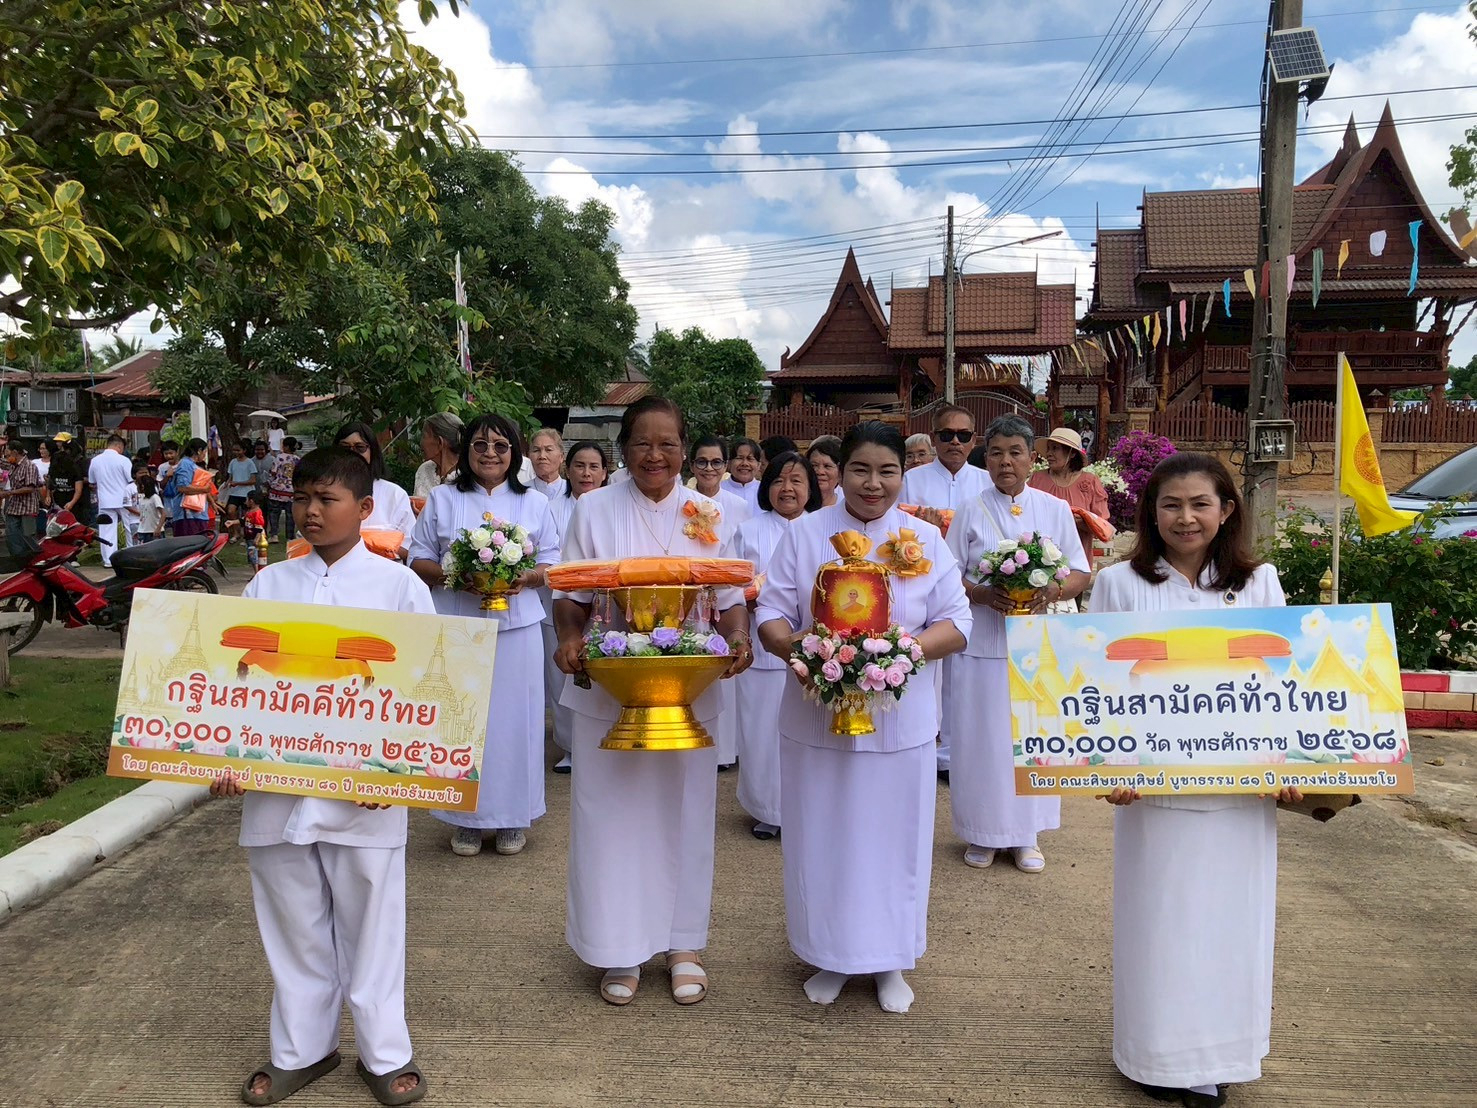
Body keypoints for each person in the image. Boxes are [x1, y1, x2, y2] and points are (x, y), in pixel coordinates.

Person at [209, 446, 435, 1107]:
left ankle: (384, 1052)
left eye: (325, 498)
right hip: (277, 789)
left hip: (365, 790)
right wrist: (223, 755)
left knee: (371, 924)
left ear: (364, 510)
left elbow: (423, 688)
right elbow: (234, 684)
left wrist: (391, 769)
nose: (309, 509)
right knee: (292, 923)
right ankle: (300, 1051)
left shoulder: (399, 588)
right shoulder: (268, 584)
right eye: (302, 496)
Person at [1091, 452, 1299, 1108]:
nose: (1185, 517)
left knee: (1228, 925)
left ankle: (1221, 1054)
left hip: (1239, 794)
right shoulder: (1119, 584)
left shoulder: (1258, 581)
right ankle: (1152, 1054)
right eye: (1171, 505)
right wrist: (1106, 764)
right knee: (1161, 922)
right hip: (1153, 796)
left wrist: (1292, 765)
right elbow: (1091, 685)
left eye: (1200, 504)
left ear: (1226, 510)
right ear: (1149, 513)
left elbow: (1289, 685)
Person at [756, 421, 969, 1015]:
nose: (873, 484)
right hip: (815, 717)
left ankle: (891, 960)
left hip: (900, 719)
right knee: (821, 836)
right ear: (837, 470)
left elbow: (957, 621)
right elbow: (771, 611)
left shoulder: (924, 537)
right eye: (860, 470)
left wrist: (900, 656)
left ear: (904, 472)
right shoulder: (804, 535)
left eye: (887, 471)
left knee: (894, 839)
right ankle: (827, 952)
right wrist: (800, 647)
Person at [552, 396, 752, 1006]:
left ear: (685, 450)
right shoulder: (593, 509)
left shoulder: (710, 512)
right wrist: (567, 639)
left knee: (687, 813)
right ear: (623, 449)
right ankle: (620, 946)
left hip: (688, 688)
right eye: (643, 443)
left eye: (668, 444)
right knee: (610, 816)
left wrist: (738, 638)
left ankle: (683, 943)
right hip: (609, 688)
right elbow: (570, 591)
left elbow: (732, 591)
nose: (655, 455)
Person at [944, 414, 1091, 874]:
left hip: (1036, 644)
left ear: (1033, 459)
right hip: (982, 642)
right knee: (982, 741)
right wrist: (984, 593)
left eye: (1015, 453)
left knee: (1031, 739)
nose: (1006, 461)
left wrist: (1051, 590)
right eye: (996, 452)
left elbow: (1081, 571)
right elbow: (949, 575)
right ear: (984, 458)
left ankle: (1027, 837)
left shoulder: (1054, 509)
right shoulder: (969, 508)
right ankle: (982, 834)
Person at [409, 413, 559, 858]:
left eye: (500, 446)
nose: (490, 454)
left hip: (517, 627)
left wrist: (524, 577)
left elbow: (553, 563)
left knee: (516, 723)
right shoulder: (441, 499)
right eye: (480, 445)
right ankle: (464, 819)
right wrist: (458, 576)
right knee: (462, 720)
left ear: (515, 453)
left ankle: (514, 816)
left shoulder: (535, 503)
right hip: (460, 625)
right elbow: (417, 559)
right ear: (466, 450)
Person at [733, 451, 822, 840]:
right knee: (761, 732)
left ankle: (807, 809)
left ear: (811, 489)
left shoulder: (823, 530)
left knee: (805, 732)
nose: (786, 488)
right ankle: (767, 808)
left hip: (814, 651)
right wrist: (750, 598)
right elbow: (732, 584)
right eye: (778, 481)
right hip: (760, 645)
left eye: (796, 481)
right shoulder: (748, 531)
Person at [901, 406, 990, 777]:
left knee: (964, 675)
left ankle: (958, 752)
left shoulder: (986, 481)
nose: (955, 441)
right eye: (946, 435)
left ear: (974, 441)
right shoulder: (911, 479)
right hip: (919, 580)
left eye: (963, 435)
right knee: (923, 667)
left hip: (974, 590)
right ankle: (922, 745)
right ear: (933, 437)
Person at [541, 440, 609, 774]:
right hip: (561, 604)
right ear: (568, 470)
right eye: (580, 466)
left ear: (605, 472)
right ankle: (568, 746)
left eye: (594, 466)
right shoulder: (551, 507)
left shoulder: (612, 508)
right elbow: (551, 556)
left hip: (603, 607)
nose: (586, 473)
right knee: (562, 679)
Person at [686, 435, 753, 771]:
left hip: (728, 596)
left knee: (726, 674)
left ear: (725, 467)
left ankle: (727, 750)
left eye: (716, 462)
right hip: (692, 601)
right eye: (702, 461)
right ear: (692, 464)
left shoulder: (740, 507)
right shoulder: (684, 505)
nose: (709, 468)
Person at [1028, 427, 1110, 572]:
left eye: (1055, 449)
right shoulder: (1037, 479)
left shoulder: (1090, 482)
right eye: (1048, 449)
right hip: (1040, 558)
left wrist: (1082, 521)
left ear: (1071, 454)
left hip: (1076, 557)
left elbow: (1102, 524)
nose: (1049, 454)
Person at [334, 422, 415, 560]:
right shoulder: (323, 492)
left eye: (360, 448)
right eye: (345, 447)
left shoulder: (394, 494)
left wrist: (376, 545)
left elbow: (412, 548)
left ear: (372, 452)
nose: (353, 453)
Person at [87, 434, 137, 566]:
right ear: (119, 446)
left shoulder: (95, 461)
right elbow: (131, 480)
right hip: (124, 500)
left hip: (105, 500)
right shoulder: (124, 460)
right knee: (129, 527)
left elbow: (92, 482)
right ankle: (132, 555)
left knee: (106, 530)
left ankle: (108, 560)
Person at [0, 441, 41, 559]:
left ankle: (33, 560)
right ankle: (19, 561)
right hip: (14, 507)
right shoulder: (12, 465)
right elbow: (2, 462)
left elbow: (30, 488)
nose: (7, 457)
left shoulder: (30, 466)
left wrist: (8, 493)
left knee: (28, 536)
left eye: (8, 454)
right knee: (12, 536)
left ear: (15, 452)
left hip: (27, 508)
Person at [167, 438, 214, 537]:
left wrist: (212, 502)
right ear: (199, 451)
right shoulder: (185, 464)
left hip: (197, 513)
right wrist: (204, 489)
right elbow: (182, 487)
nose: (205, 455)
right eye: (204, 452)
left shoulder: (191, 465)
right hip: (187, 515)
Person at [413, 413, 462, 499]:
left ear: (440, 442)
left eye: (424, 436)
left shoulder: (465, 476)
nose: (421, 443)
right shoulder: (424, 470)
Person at [265, 437, 301, 542]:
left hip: (277, 489)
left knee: (274, 513)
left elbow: (273, 472)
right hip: (291, 490)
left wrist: (268, 483)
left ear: (285, 446)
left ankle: (274, 535)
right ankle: (290, 536)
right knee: (290, 515)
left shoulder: (279, 457)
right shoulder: (297, 459)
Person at [225, 441, 258, 540]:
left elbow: (253, 480)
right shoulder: (233, 462)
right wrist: (226, 484)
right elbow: (230, 477)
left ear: (244, 450)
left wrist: (238, 483)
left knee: (247, 515)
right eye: (234, 450)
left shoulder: (249, 462)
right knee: (231, 511)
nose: (236, 452)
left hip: (246, 493)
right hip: (234, 492)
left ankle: (246, 534)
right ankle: (236, 533)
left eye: (238, 450)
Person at [721, 437, 764, 511]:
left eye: (750, 459)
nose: (745, 463)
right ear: (729, 463)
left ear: (759, 465)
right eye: (739, 458)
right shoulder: (718, 489)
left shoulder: (766, 491)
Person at [528, 428, 567, 499]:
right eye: (536, 450)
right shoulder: (521, 491)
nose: (542, 456)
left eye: (548, 450)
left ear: (561, 456)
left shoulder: (572, 490)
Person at [805, 435, 842, 508]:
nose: (820, 472)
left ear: (840, 471)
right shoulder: (796, 507)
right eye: (814, 465)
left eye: (827, 466)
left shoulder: (848, 507)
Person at [133, 473, 164, 543]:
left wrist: (158, 528)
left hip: (153, 531)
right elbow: (143, 516)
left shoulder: (155, 498)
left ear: (143, 486)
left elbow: (163, 514)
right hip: (143, 531)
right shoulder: (142, 499)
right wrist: (139, 530)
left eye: (138, 485)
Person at [243, 489, 267, 572]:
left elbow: (259, 527)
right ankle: (256, 573)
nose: (245, 502)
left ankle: (257, 573)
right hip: (249, 537)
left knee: (254, 556)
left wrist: (257, 538)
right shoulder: (249, 512)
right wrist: (232, 522)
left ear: (251, 501)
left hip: (253, 538)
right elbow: (243, 520)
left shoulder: (257, 513)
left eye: (246, 499)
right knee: (251, 555)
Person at [33, 439, 52, 536]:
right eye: (40, 449)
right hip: (37, 493)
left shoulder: (54, 462)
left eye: (44, 448)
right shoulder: (34, 462)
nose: (42, 451)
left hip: (51, 493)